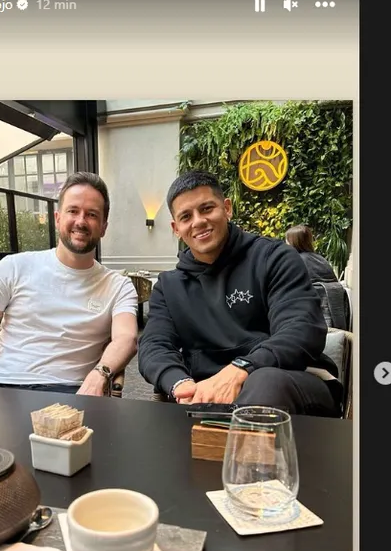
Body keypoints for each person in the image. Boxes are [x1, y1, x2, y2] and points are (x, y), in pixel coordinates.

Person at [138, 171, 343, 416]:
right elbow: (154, 346)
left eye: (206, 208)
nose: (198, 221)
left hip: (293, 381)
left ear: (227, 208)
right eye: (186, 216)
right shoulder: (168, 286)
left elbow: (301, 329)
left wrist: (241, 369)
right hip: (210, 395)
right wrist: (181, 384)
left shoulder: (274, 258)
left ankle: (237, 438)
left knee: (265, 382)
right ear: (176, 228)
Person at [0, 172, 138, 396]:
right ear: (57, 218)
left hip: (66, 390)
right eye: (73, 211)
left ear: (104, 227)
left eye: (92, 214)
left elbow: (126, 338)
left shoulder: (118, 286)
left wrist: (100, 373)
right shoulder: (15, 266)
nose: (80, 221)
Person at [285, 224, 350, 330]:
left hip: (312, 317)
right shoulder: (320, 259)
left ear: (294, 242)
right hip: (334, 315)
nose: (286, 244)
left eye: (287, 241)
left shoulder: (296, 261)